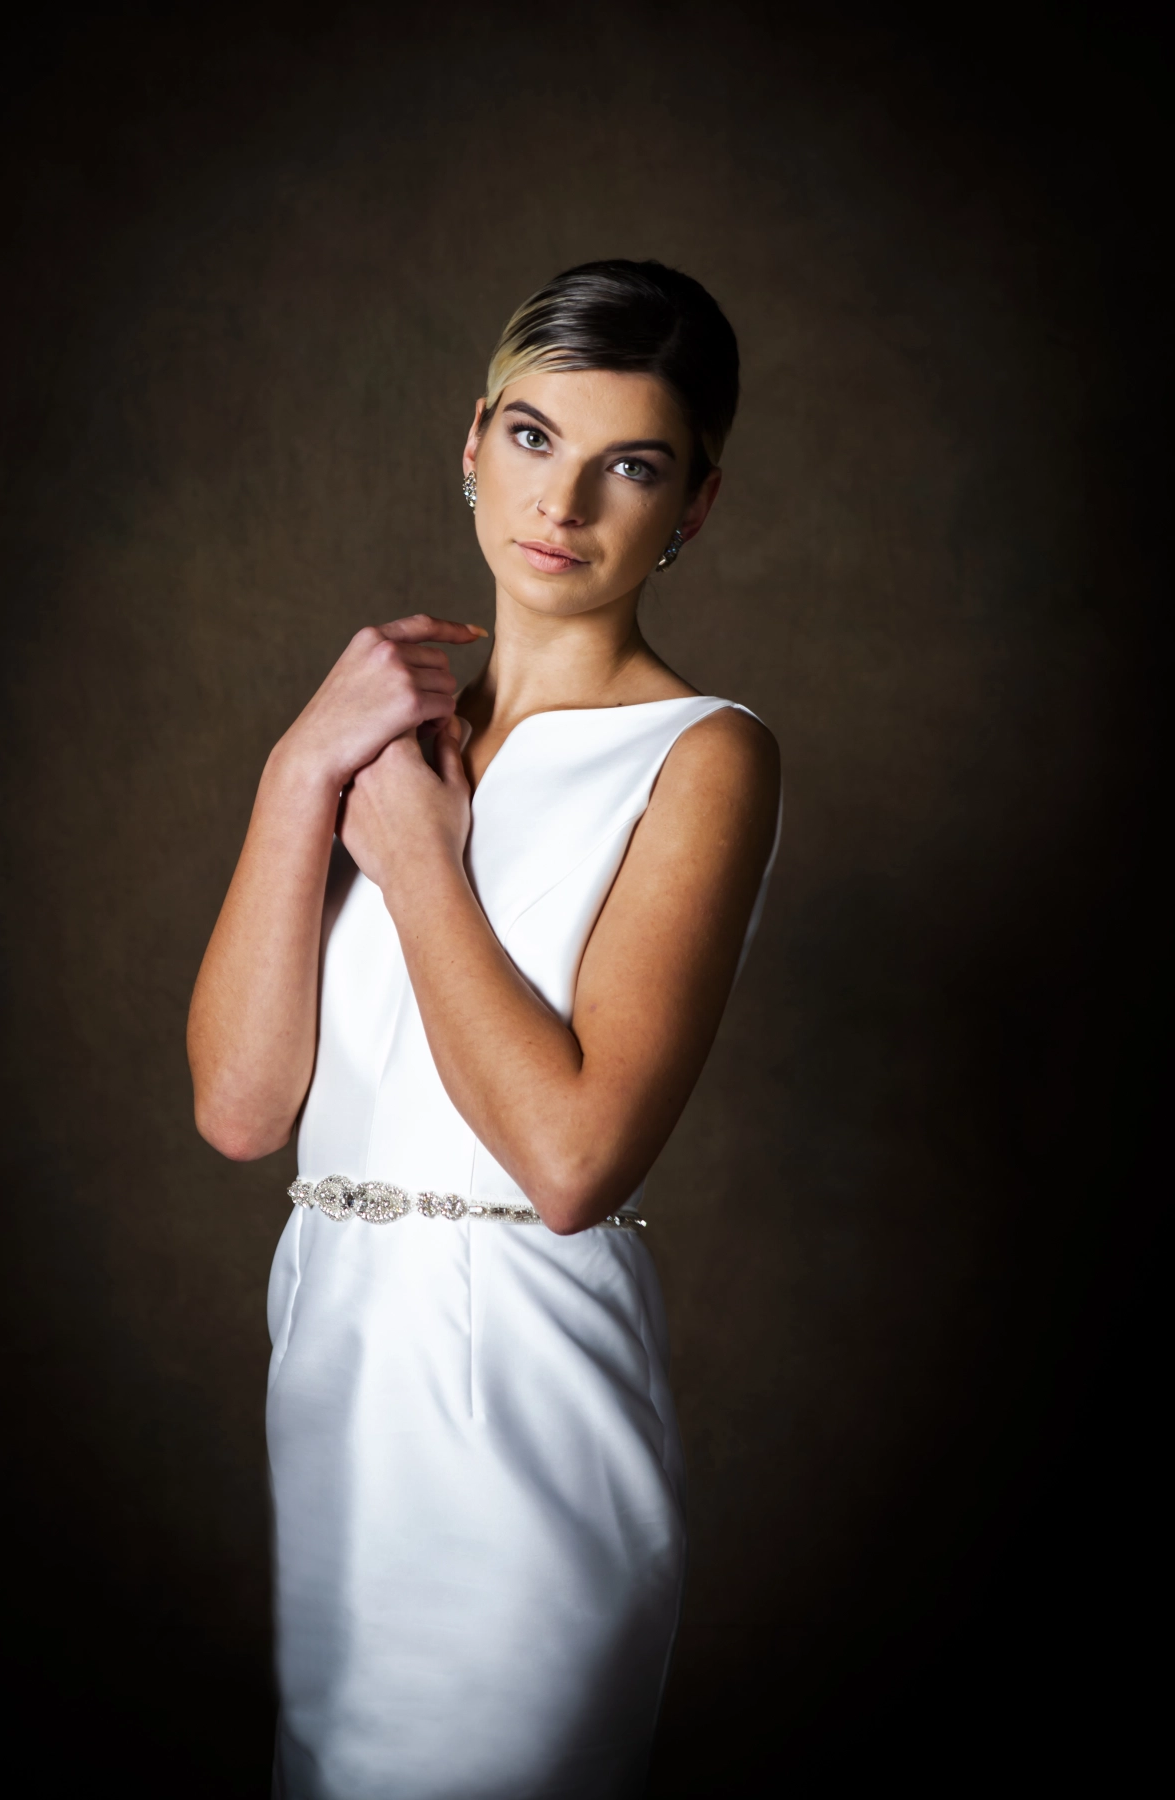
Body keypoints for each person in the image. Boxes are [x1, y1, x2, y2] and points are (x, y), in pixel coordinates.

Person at [188, 259, 781, 1800]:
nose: (561, 503)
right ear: (472, 441)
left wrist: (417, 863)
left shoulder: (702, 756)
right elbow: (243, 1109)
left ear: (695, 504)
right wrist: (297, 773)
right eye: (532, 437)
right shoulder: (379, 743)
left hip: (521, 1405)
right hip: (335, 1392)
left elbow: (573, 1164)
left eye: (630, 466)